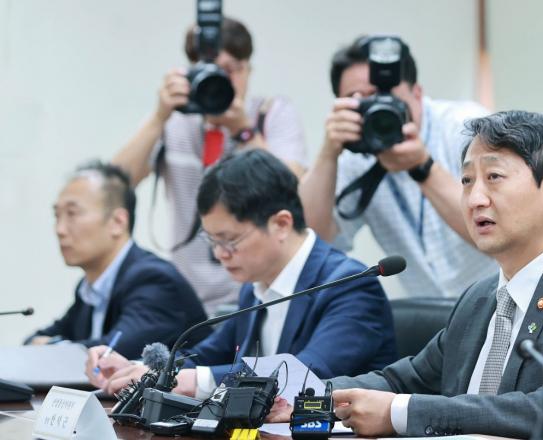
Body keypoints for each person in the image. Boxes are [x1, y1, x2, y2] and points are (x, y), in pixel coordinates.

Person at [273, 111, 543, 439]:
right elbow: (400, 380)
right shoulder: (479, 299)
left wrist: (400, 411)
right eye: (467, 180)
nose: (475, 198)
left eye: (494, 176)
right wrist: (298, 394)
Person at [86, 149, 397, 399]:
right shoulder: (254, 285)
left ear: (281, 224)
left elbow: (304, 374)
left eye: (230, 240)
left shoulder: (351, 286)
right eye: (212, 240)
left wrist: (193, 381)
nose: (220, 254)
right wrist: (137, 370)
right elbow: (207, 357)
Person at [113, 17, 307, 312]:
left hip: (259, 295)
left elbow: (292, 193)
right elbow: (115, 186)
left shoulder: (270, 114)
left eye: (231, 70)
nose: (222, 81)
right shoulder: (174, 122)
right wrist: (158, 117)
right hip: (187, 297)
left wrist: (243, 131)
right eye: (212, 71)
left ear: (248, 71)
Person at [299, 35, 495, 299]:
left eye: (382, 96)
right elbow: (309, 242)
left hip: (498, 301)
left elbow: (499, 226)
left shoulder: (467, 128)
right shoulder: (356, 158)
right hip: (432, 316)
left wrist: (423, 168)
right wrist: (328, 153)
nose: (376, 110)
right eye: (359, 101)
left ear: (417, 94)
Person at [26, 162, 210, 360]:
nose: (59, 229)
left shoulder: (153, 279)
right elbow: (34, 340)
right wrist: (45, 344)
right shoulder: (90, 287)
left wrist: (50, 346)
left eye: (72, 214)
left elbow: (112, 354)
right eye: (57, 215)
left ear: (118, 222)